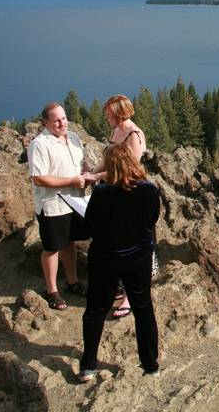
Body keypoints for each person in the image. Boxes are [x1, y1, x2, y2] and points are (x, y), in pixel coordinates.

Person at [78, 141, 161, 382]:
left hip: (105, 259)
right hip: (138, 259)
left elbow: (89, 227)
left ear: (110, 167)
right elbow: (152, 220)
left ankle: (88, 364)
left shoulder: (102, 193)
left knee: (95, 310)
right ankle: (150, 364)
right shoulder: (149, 190)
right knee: (143, 309)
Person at [28, 102, 93, 310]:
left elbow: (80, 163)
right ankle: (52, 291)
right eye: (56, 120)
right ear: (45, 122)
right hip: (53, 205)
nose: (61, 123)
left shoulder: (73, 137)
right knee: (52, 247)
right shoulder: (39, 144)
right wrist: (71, 181)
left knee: (70, 242)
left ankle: (72, 282)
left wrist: (86, 173)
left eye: (63, 118)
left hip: (75, 202)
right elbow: (39, 178)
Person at [97, 94, 149, 319]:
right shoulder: (116, 131)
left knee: (129, 247)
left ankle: (129, 295)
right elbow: (108, 159)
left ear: (118, 112)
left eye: (108, 112)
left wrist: (95, 175)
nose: (106, 115)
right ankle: (118, 286)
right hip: (111, 195)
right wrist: (92, 170)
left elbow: (129, 171)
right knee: (113, 245)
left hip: (128, 197)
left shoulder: (134, 135)